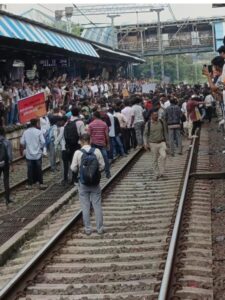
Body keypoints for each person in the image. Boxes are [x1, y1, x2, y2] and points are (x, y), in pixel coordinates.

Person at [71, 133, 105, 235]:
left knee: (85, 206)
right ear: (90, 140)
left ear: (80, 141)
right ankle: (100, 228)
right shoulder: (97, 151)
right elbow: (102, 166)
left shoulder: (77, 153)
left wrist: (81, 172)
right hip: (95, 183)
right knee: (97, 205)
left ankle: (88, 229)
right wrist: (94, 172)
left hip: (83, 183)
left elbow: (73, 168)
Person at [20, 118, 47, 190]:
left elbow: (22, 142)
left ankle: (30, 184)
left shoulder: (25, 132)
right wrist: (40, 147)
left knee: (30, 169)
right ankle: (40, 183)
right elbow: (43, 142)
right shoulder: (39, 132)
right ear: (36, 124)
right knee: (39, 169)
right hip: (38, 154)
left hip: (29, 155)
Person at [143, 110, 167, 180]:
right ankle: (156, 173)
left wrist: (167, 142)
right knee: (154, 159)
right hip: (153, 144)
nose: (156, 116)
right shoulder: (148, 124)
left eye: (157, 115)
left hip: (162, 142)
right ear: (151, 116)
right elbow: (145, 134)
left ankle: (162, 172)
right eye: (154, 115)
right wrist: (145, 143)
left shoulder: (162, 122)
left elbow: (165, 132)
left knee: (164, 156)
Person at [88, 111, 111, 178]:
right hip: (102, 144)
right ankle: (108, 173)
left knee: (94, 159)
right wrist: (108, 144)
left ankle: (95, 173)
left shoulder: (91, 124)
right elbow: (107, 135)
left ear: (94, 116)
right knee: (105, 158)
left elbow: (89, 135)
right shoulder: (104, 124)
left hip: (94, 144)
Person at [0, 126, 13, 205]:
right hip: (5, 163)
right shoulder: (7, 141)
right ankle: (7, 199)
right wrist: (11, 164)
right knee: (6, 180)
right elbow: (9, 155)